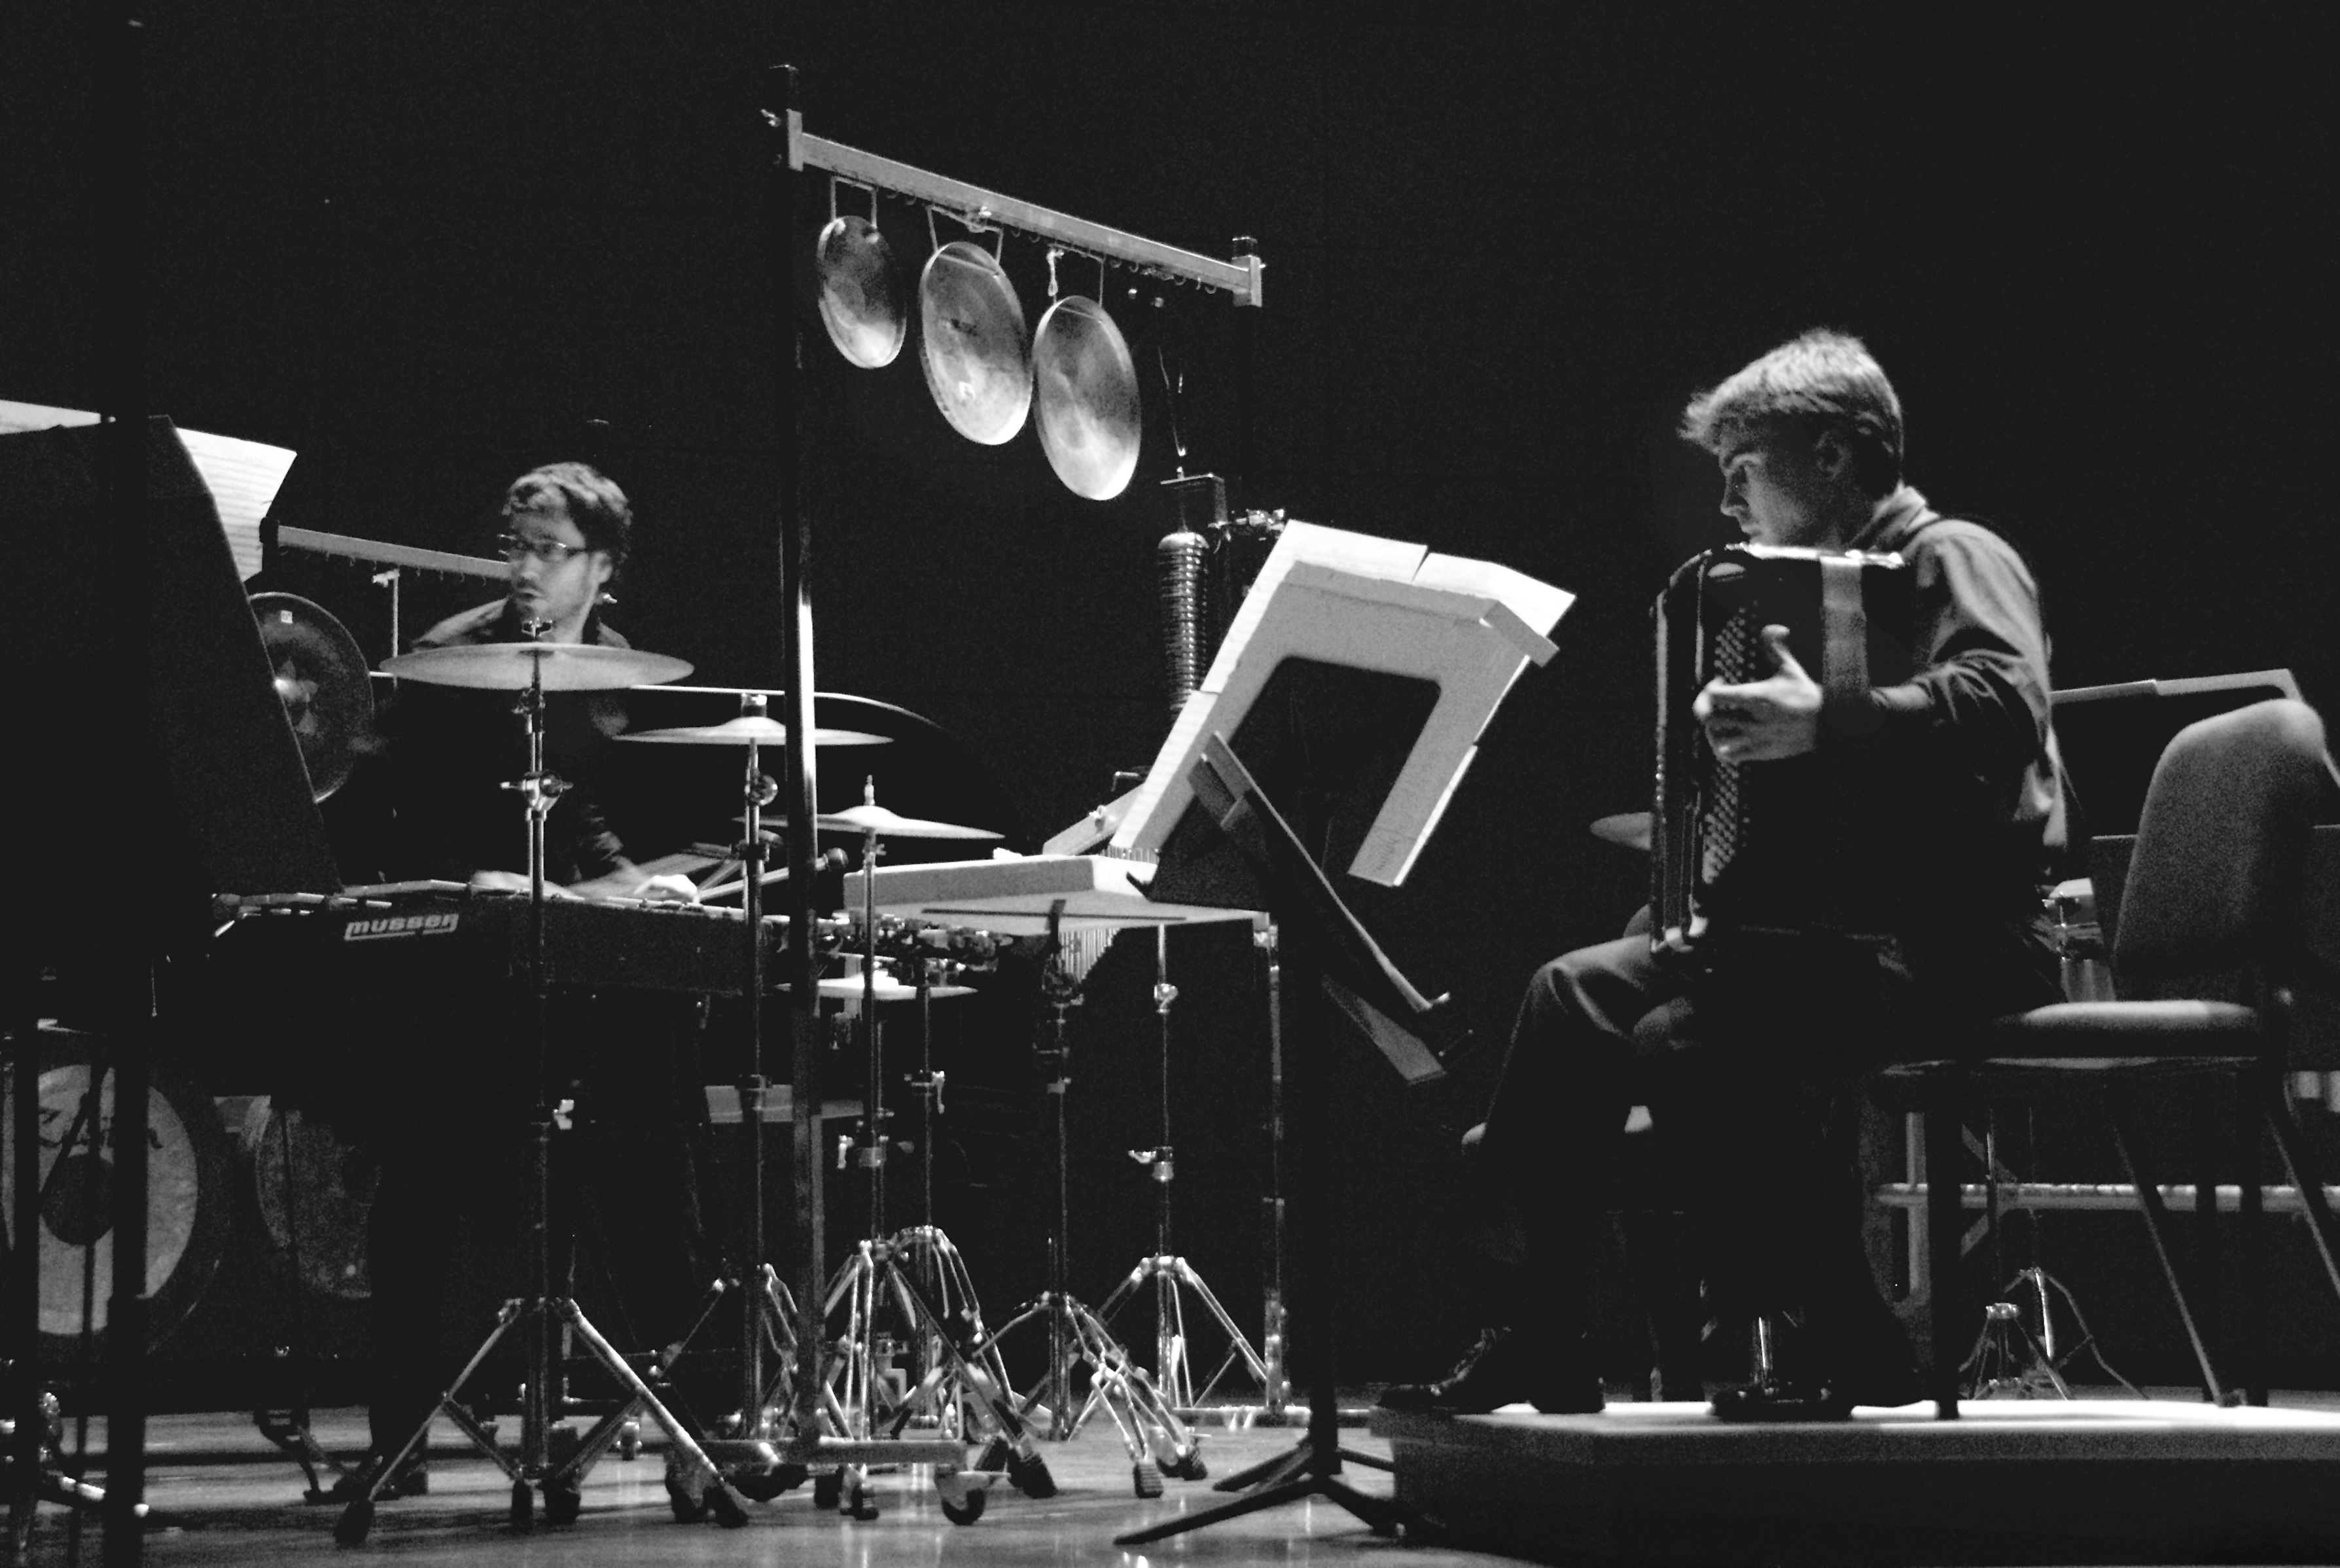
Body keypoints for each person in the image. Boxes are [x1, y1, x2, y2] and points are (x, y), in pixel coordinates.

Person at [1382, 330, 2068, 1420]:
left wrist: (1826, 720)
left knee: (1693, 1040)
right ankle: (1539, 1332)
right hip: (1840, 941)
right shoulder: (1797, 590)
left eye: (1745, 468)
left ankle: (1849, 1334)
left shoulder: (1951, 555)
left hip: (1966, 940)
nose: (1729, 503)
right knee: (1571, 993)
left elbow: (2004, 698)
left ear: (1835, 460)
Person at [347, 462, 717, 1492]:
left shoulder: (621, 671)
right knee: (425, 1180)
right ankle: (398, 1432)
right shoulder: (448, 660)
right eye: (514, 546)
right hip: (465, 955)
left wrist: (647, 890)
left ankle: (692, 1422)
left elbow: (600, 825)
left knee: (656, 1146)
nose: (525, 570)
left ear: (602, 566)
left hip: (582, 952)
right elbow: (392, 812)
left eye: (550, 552)